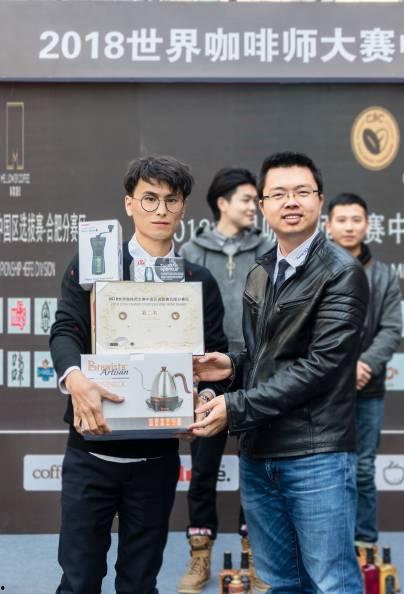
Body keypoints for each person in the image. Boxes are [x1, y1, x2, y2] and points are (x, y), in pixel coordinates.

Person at [189, 151, 369, 594]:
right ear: (264, 205)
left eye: (302, 192)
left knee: (330, 583)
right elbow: (268, 356)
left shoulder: (342, 273)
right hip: (259, 455)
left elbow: (320, 366)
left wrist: (234, 407)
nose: (291, 201)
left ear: (319, 200)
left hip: (316, 455)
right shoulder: (261, 272)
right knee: (278, 582)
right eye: (279, 193)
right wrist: (232, 365)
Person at [49, 155, 228, 594]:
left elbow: (216, 361)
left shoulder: (197, 280)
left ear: (183, 208)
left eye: (171, 200)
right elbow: (66, 329)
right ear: (129, 204)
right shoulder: (93, 266)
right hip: (90, 450)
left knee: (139, 582)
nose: (160, 210)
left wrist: (204, 400)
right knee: (79, 580)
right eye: (149, 199)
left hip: (156, 458)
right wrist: (75, 379)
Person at [178, 168, 273, 594]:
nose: (255, 207)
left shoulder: (268, 247)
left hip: (256, 369)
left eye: (257, 200)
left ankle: (256, 558)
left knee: (258, 468)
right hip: (208, 371)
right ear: (222, 203)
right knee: (203, 469)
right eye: (247, 199)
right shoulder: (191, 251)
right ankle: (200, 556)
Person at [325, 192, 402, 569]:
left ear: (368, 225)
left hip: (367, 388)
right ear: (328, 226)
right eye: (341, 220)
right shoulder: (317, 270)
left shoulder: (384, 275)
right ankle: (328, 545)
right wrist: (341, 368)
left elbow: (391, 329)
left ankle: (366, 546)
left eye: (356, 219)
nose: (349, 226)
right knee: (324, 470)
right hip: (323, 390)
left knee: (363, 469)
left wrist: (364, 364)